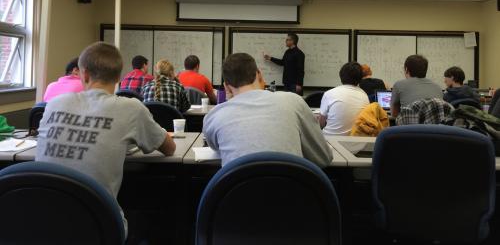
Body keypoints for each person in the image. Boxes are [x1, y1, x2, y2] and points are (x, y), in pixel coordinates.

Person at [36, 42, 176, 236]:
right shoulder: (131, 108)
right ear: (118, 77)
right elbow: (169, 149)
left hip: (38, 221)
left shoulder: (53, 104)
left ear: (83, 74)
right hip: (99, 224)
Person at [203, 53, 332, 167]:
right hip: (293, 191)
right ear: (259, 74)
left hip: (238, 192)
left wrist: (230, 99)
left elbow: (216, 148)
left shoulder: (215, 115)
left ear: (226, 86)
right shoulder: (294, 101)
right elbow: (324, 157)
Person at [319, 62, 369, 136]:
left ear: (341, 76)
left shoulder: (329, 94)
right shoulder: (364, 95)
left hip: (330, 141)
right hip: (357, 142)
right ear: (360, 78)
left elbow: (321, 124)